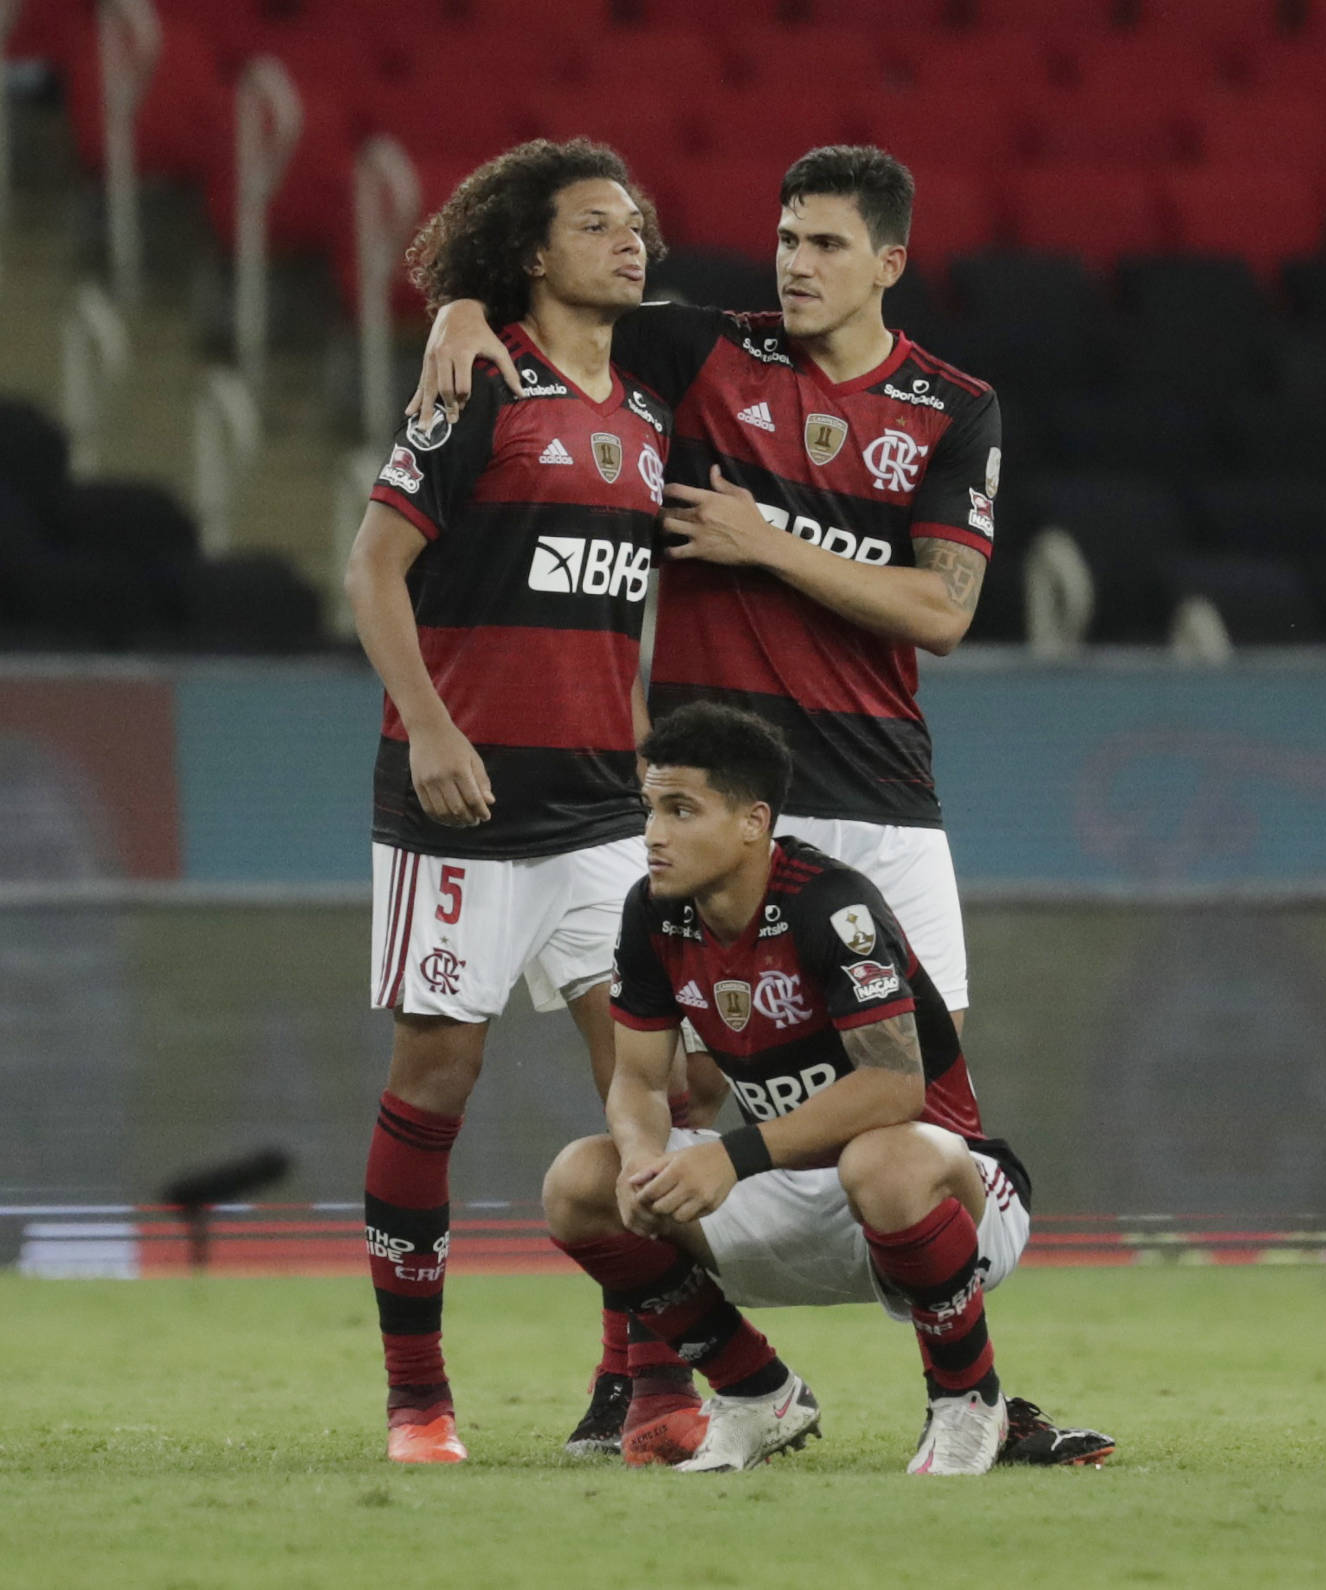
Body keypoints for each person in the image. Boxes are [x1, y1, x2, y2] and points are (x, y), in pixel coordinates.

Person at [409, 144, 995, 1041]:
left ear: (890, 264)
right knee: (685, 1084)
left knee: (927, 1089)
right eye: (787, 238)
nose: (797, 264)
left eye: (828, 245)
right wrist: (456, 312)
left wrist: (766, 544)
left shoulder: (952, 408)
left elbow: (942, 613)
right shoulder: (702, 353)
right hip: (715, 800)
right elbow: (548, 296)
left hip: (881, 796)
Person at [346, 139, 701, 1464]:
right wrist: (429, 727)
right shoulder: (481, 381)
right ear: (534, 252)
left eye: (639, 222)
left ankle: (649, 1381)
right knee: (439, 1073)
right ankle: (417, 1396)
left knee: (652, 1088)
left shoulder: (653, 402)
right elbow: (372, 572)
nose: (631, 241)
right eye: (598, 223)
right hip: (461, 792)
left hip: (607, 806)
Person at [544, 702, 1030, 1474]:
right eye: (650, 810)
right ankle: (754, 1393)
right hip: (794, 1183)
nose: (653, 835)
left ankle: (970, 1403)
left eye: (681, 810)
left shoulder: (830, 905)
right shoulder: (653, 914)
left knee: (883, 1159)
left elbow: (895, 1089)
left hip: (946, 1191)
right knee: (578, 1182)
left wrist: (729, 1157)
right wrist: (641, 1159)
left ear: (752, 822)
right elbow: (636, 1078)